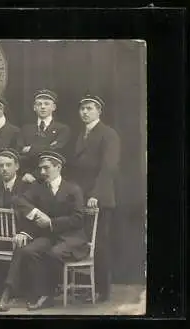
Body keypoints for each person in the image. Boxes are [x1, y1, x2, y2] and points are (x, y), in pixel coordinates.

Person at [0, 151, 88, 312]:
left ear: (58, 167)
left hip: (71, 238)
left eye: (46, 168)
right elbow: (18, 200)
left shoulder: (73, 189)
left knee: (52, 253)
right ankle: (22, 292)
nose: (42, 172)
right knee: (27, 250)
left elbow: (78, 219)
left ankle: (47, 295)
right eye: (40, 169)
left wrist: (51, 222)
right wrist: (37, 214)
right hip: (50, 237)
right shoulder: (39, 188)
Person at [68, 94, 121, 302]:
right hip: (82, 197)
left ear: (99, 111)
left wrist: (95, 195)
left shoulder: (108, 134)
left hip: (98, 197)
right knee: (82, 241)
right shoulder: (82, 135)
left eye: (90, 108)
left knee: (98, 243)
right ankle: (86, 286)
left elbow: (109, 168)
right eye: (82, 109)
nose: (85, 112)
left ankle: (102, 290)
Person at [16, 89, 70, 183]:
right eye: (39, 104)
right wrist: (26, 173)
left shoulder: (62, 129)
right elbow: (19, 152)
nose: (42, 107)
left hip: (50, 179)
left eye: (46, 104)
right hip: (26, 178)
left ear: (54, 107)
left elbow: (56, 152)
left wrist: (30, 149)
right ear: (34, 107)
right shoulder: (25, 129)